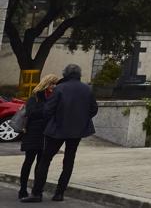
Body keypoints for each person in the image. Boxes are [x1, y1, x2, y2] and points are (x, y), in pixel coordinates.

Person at [22, 64, 97, 203]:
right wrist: (81, 120)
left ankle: (37, 193)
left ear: (65, 74)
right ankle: (59, 193)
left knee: (45, 160)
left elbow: (48, 111)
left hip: (57, 130)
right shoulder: (87, 89)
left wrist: (53, 120)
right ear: (79, 74)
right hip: (77, 131)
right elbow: (93, 109)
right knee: (69, 161)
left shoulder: (60, 88)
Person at [17, 74, 60, 199]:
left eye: (56, 84)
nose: (54, 86)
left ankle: (37, 190)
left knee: (41, 164)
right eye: (52, 83)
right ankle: (23, 188)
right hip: (32, 134)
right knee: (28, 162)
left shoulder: (55, 98)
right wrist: (47, 110)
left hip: (47, 135)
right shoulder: (35, 97)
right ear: (46, 84)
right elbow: (31, 113)